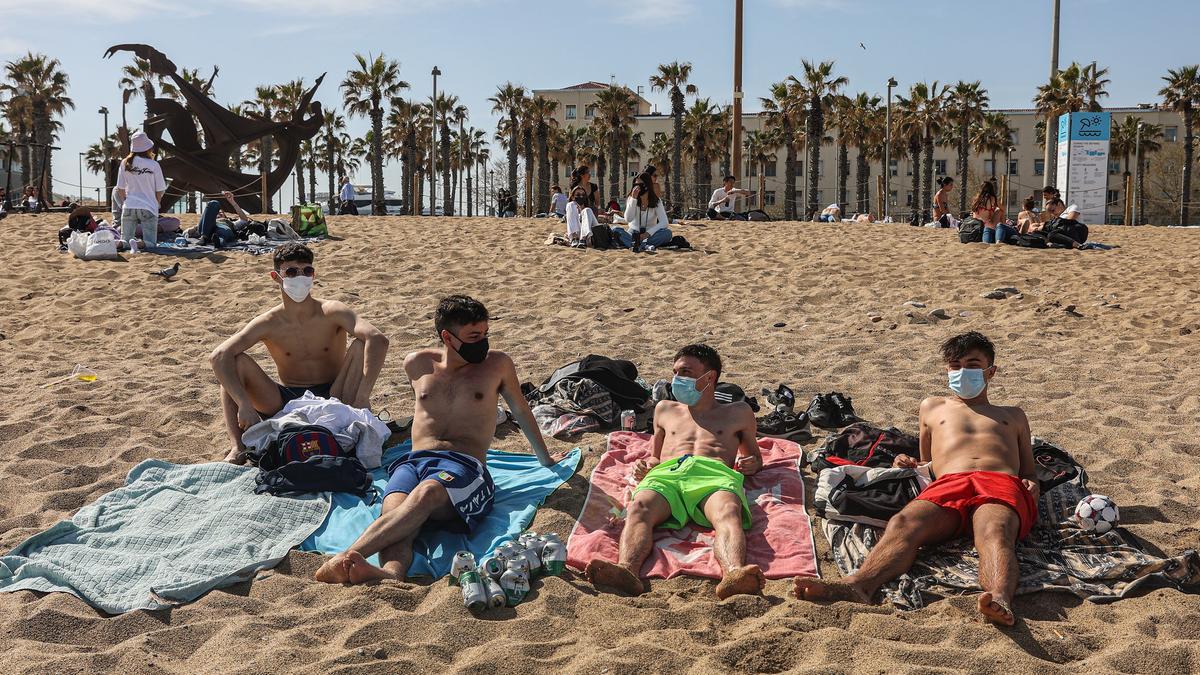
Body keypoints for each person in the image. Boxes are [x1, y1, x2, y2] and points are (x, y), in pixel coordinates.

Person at [313, 295, 565, 584]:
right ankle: (391, 573)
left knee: (427, 494)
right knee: (395, 513)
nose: (482, 341)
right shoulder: (417, 364)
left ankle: (346, 556)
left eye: (485, 334)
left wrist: (545, 459)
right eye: (473, 336)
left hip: (464, 467)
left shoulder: (497, 365)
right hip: (414, 462)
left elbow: (521, 410)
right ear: (447, 336)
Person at [794, 332, 1038, 626]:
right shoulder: (932, 407)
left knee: (994, 532)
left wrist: (1032, 483)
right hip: (950, 482)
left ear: (991, 371)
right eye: (955, 366)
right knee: (903, 523)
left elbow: (1029, 471)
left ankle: (998, 598)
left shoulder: (1012, 415)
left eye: (972, 365)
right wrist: (907, 462)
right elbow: (928, 463)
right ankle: (858, 585)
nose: (962, 372)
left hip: (997, 480)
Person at [585, 344, 766, 599]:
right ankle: (627, 570)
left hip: (712, 473)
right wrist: (646, 464)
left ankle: (734, 573)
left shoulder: (737, 413)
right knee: (638, 508)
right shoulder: (664, 409)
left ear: (710, 377)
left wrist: (752, 463)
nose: (678, 379)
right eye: (676, 372)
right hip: (669, 472)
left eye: (686, 372)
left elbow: (754, 456)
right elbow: (655, 455)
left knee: (728, 511)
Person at [209, 242, 390, 463]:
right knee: (233, 364)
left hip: (337, 393)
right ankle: (237, 447)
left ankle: (355, 405)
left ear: (314, 275)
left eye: (307, 270)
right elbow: (218, 356)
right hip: (286, 398)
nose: (301, 277)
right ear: (276, 277)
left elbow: (378, 339)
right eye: (292, 272)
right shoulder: (269, 322)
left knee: (362, 344)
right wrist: (244, 405)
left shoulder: (332, 310)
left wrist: (362, 396)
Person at [115, 131, 166, 250]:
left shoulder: (125, 163)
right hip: (148, 206)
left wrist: (124, 202)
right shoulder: (154, 165)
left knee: (125, 241)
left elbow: (120, 188)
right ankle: (137, 244)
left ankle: (117, 244)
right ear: (148, 148)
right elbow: (159, 190)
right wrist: (157, 203)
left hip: (129, 206)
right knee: (150, 243)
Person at [620, 171, 671, 252]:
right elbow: (628, 219)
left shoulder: (656, 201)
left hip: (650, 234)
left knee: (667, 233)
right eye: (635, 185)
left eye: (640, 185)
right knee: (615, 230)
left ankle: (636, 245)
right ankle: (644, 245)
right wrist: (633, 200)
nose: (637, 188)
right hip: (633, 233)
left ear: (647, 186)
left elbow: (664, 222)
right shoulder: (631, 199)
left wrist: (648, 233)